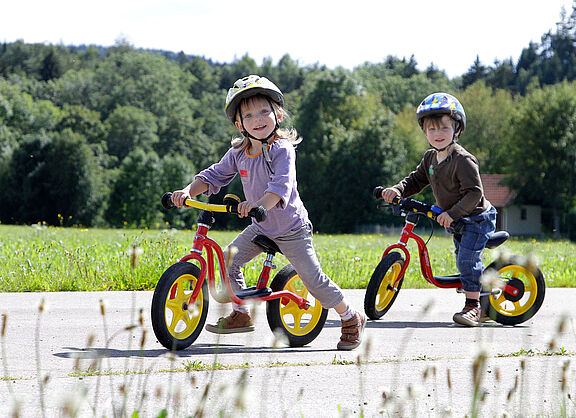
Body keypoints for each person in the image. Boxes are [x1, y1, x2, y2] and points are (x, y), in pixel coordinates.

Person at [170, 75, 366, 350]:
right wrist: (189, 190)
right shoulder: (238, 152)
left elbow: (280, 187)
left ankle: (350, 317)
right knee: (228, 259)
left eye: (264, 111)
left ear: (279, 114)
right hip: (262, 226)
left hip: (292, 228)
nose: (258, 118)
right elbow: (214, 175)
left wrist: (258, 204)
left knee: (313, 280)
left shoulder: (282, 149)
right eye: (248, 115)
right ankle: (241, 313)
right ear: (239, 124)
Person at [379, 92, 496, 327]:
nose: (438, 134)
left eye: (444, 128)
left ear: (457, 129)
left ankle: (475, 307)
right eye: (432, 129)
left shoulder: (464, 160)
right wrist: (398, 189)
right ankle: (477, 288)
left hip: (476, 218)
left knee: (466, 259)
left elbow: (475, 193)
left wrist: (452, 214)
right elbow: (415, 180)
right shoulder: (430, 158)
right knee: (463, 260)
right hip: (454, 219)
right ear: (424, 132)